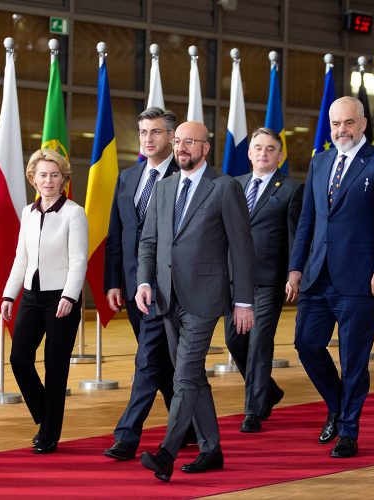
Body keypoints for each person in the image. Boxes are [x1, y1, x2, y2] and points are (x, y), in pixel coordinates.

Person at [136, 121, 255, 481]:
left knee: (185, 375)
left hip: (205, 298)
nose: (181, 147)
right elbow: (149, 242)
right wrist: (144, 281)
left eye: (189, 142)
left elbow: (242, 248)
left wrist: (244, 302)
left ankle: (167, 452)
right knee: (193, 376)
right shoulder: (164, 186)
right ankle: (211, 449)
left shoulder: (225, 187)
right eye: (177, 141)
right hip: (168, 298)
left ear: (206, 147)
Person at [287, 96, 374, 458]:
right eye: (336, 124)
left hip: (361, 279)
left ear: (363, 124)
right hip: (317, 275)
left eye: (349, 123)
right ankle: (337, 406)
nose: (341, 130)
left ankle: (349, 432)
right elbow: (307, 220)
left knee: (354, 360)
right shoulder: (320, 162)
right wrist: (295, 268)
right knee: (306, 344)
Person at [102, 107, 194, 461]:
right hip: (132, 285)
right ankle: (190, 428)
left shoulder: (184, 176)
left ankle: (127, 435)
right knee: (163, 362)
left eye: (155, 132)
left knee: (146, 361)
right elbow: (117, 233)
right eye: (143, 132)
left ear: (171, 137)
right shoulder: (128, 177)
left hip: (169, 287)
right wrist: (114, 282)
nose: (148, 139)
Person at [1, 149, 88, 454]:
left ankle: (49, 433)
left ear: (63, 179)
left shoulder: (74, 213)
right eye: (42, 175)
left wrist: (69, 296)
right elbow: (20, 257)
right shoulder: (27, 212)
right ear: (33, 178)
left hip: (61, 298)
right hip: (31, 295)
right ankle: (46, 416)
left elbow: (79, 261)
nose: (48, 180)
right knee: (19, 360)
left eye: (54, 175)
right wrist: (10, 294)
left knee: (55, 366)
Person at [225, 127, 303, 433]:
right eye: (258, 147)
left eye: (271, 149)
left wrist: (293, 273)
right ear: (249, 152)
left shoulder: (291, 189)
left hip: (269, 280)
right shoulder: (234, 185)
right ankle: (269, 390)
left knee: (259, 343)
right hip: (235, 280)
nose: (263, 153)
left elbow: (295, 237)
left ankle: (254, 411)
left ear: (280, 155)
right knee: (235, 340)